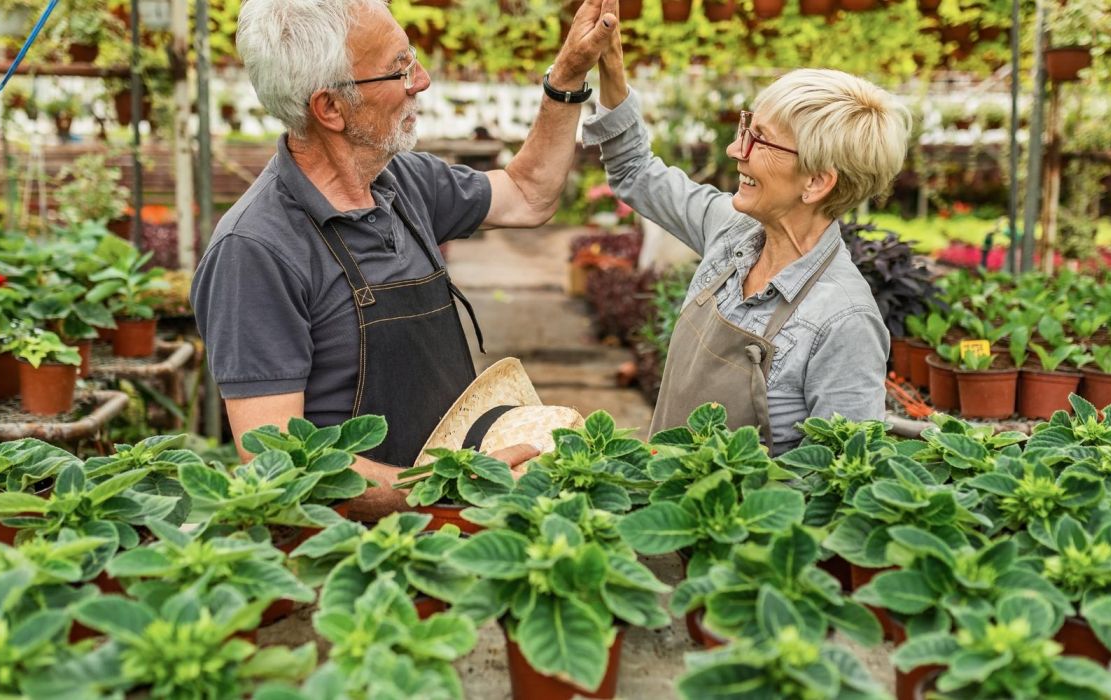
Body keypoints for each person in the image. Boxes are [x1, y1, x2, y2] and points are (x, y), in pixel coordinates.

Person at [190, 0, 621, 519]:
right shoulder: (255, 252)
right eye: (399, 67)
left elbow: (529, 193)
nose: (423, 79)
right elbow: (277, 464)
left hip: (451, 519)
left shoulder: (404, 183)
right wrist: (452, 485)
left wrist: (568, 74)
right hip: (357, 557)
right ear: (331, 108)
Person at [582, 32, 910, 455]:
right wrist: (610, 64)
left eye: (760, 139)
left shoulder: (844, 322)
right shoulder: (731, 230)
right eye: (745, 128)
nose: (736, 149)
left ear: (816, 182)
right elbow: (634, 171)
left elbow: (842, 484)